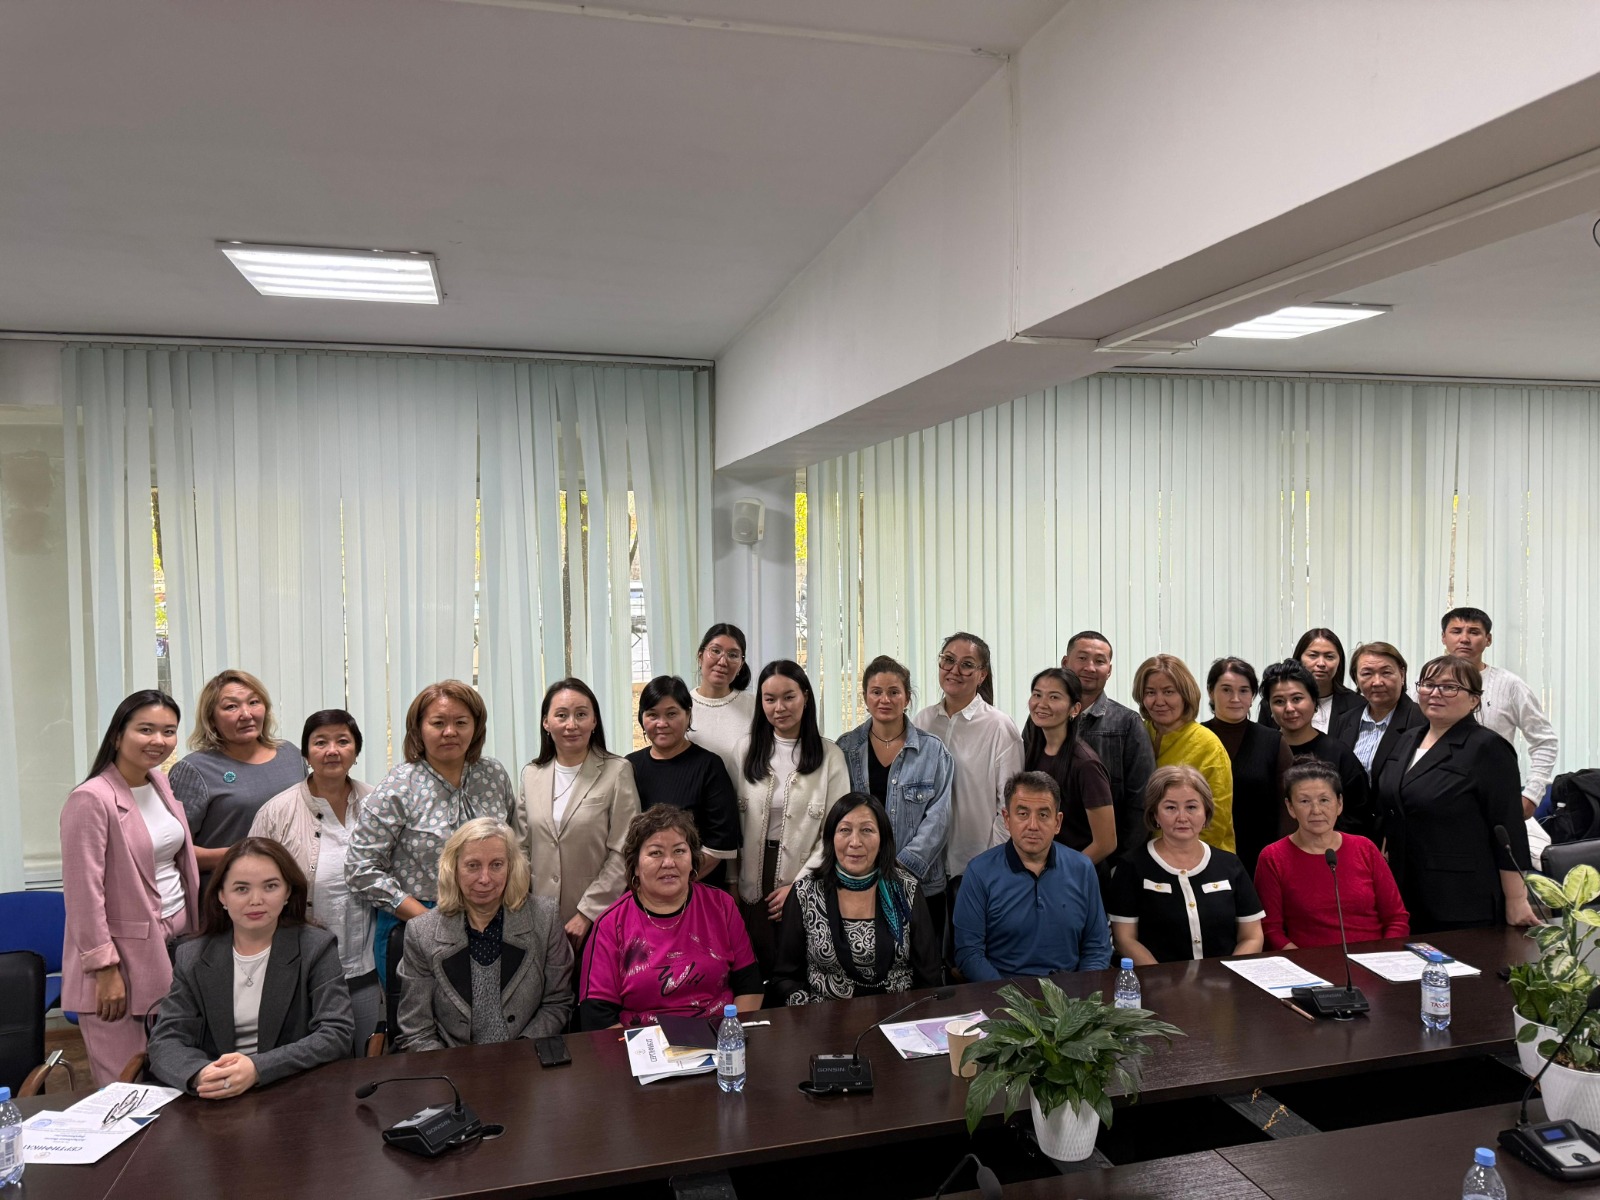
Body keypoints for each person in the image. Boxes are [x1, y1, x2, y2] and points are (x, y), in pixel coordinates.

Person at [61, 690, 199, 1086]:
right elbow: (84, 894)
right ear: (118, 735)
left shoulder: (159, 783)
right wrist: (105, 969)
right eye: (146, 729)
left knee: (172, 1079)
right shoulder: (91, 799)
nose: (159, 740)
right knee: (126, 1086)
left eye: (168, 731)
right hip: (121, 959)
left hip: (173, 944)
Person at [147, 838, 354, 1097]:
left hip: (292, 1091)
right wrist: (202, 1074)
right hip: (217, 1095)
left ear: (288, 892)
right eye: (241, 889)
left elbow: (336, 1033)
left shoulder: (316, 947)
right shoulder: (192, 956)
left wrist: (258, 1068)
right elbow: (166, 1040)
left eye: (270, 886)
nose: (256, 900)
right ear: (222, 895)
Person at [347, 680, 517, 982]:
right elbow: (360, 868)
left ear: (476, 727)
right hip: (418, 922)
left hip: (493, 919)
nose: (450, 732)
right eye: (438, 723)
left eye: (461, 722)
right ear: (418, 730)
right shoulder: (399, 786)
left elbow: (513, 845)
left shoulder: (493, 774)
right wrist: (426, 920)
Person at [250, 710, 380, 1056]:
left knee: (367, 1059)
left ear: (356, 750)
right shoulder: (277, 812)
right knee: (311, 1062)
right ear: (306, 753)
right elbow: (252, 885)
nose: (332, 750)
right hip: (300, 969)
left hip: (366, 966)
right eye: (320, 742)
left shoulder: (378, 804)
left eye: (342, 741)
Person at [1376, 656, 1537, 932]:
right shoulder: (1406, 739)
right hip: (1404, 888)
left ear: (1474, 699)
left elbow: (1507, 828)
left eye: (1450, 687)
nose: (1435, 693)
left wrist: (1517, 899)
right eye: (1428, 684)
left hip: (1460, 897)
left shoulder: (1487, 748)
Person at [395, 817, 573, 1050]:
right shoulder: (421, 933)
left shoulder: (545, 918)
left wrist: (521, 1055)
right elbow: (416, 1031)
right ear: (453, 868)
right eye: (473, 865)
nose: (485, 878)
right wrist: (450, 1068)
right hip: (451, 1063)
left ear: (511, 867)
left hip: (527, 1059)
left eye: (497, 865)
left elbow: (557, 1004)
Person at [579, 806, 763, 1029]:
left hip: (719, 1036)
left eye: (679, 851)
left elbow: (750, 986)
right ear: (635, 865)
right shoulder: (610, 923)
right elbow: (597, 1015)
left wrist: (729, 1035)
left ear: (692, 860)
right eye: (656, 853)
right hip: (641, 1044)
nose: (669, 862)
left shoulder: (721, 906)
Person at [732, 660, 850, 974]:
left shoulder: (830, 756)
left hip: (807, 873)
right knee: (753, 967)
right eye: (769, 699)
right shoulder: (744, 750)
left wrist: (799, 888)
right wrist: (732, 882)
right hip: (751, 877)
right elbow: (731, 824)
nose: (779, 707)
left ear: (806, 697)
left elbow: (835, 833)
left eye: (789, 697)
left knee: (797, 968)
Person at [770, 794, 942, 1004]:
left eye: (867, 830)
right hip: (825, 1017)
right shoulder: (805, 892)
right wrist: (810, 1014)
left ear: (883, 839)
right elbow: (785, 978)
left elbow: (929, 976)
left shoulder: (906, 889)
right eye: (845, 830)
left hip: (898, 1015)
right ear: (831, 838)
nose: (855, 842)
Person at [518, 677, 641, 950]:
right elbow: (521, 847)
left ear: (594, 721)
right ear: (546, 722)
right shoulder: (531, 775)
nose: (571, 724)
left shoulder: (617, 771)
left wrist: (587, 913)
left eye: (581, 715)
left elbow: (624, 850)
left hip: (598, 920)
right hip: (537, 918)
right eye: (561, 715)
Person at [952, 772, 1111, 981]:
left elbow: (1097, 947)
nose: (1033, 825)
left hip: (1070, 993)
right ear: (1007, 819)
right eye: (1023, 814)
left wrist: (1082, 992)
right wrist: (1010, 996)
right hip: (1002, 993)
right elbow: (969, 954)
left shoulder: (1082, 869)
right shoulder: (979, 872)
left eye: (1043, 815)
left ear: (1057, 822)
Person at [834, 656, 954, 930]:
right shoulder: (845, 749)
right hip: (859, 881)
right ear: (865, 698)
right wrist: (865, 869)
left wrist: (900, 870)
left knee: (922, 956)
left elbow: (939, 819)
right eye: (876, 692)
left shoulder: (933, 751)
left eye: (894, 692)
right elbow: (837, 815)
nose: (884, 700)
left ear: (907, 698)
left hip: (921, 885)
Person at [1108, 766, 1264, 964]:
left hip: (1224, 980)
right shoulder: (1131, 866)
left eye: (1191, 807)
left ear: (1206, 812)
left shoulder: (1230, 864)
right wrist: (1162, 977)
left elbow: (1252, 936)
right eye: (1170, 808)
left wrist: (1230, 975)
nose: (1182, 817)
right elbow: (1124, 939)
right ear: (1155, 814)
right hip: (1158, 980)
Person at [168, 669, 306, 883]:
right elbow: (173, 850)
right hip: (227, 891)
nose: (246, 714)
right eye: (231, 706)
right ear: (211, 718)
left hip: (290, 886)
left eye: (254, 702)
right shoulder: (194, 769)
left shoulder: (290, 754)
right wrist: (247, 854)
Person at [1254, 761, 1408, 950]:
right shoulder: (1273, 857)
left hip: (1374, 959)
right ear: (1290, 807)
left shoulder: (1365, 848)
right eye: (1304, 801)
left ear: (1340, 803)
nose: (1316, 811)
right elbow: (1271, 930)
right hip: (1309, 962)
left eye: (1324, 800)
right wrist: (1305, 962)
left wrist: (1383, 956)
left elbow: (1396, 919)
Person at [913, 632, 1022, 900]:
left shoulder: (999, 726)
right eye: (948, 660)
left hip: (977, 865)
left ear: (982, 675)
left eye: (967, 664)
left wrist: (993, 861)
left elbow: (1010, 804)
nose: (955, 670)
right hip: (926, 863)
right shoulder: (922, 721)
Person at [1439, 607, 1559, 817]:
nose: (1464, 639)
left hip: (1494, 798)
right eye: (1456, 631)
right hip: (1435, 796)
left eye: (1474, 632)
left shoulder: (1510, 685)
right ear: (1443, 637)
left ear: (1488, 639)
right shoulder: (1426, 686)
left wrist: (1532, 795)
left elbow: (1545, 741)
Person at [625, 675, 741, 887]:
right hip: (642, 889)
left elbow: (720, 843)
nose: (662, 723)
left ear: (688, 715)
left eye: (671, 714)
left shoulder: (709, 766)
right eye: (652, 715)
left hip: (698, 886)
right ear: (642, 718)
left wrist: (673, 881)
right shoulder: (629, 766)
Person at [1064, 631, 1156, 865]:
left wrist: (1122, 864)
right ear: (1065, 663)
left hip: (1109, 862)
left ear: (1109, 670)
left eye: (1099, 661)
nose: (1090, 667)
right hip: (1049, 854)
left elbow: (1141, 801)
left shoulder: (1128, 723)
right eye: (1082, 658)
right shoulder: (1042, 718)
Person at [1259, 659, 1375, 838]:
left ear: (1314, 702)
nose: (1289, 708)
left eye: (1297, 699)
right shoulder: (1261, 750)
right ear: (1270, 709)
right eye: (1279, 701)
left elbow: (1359, 815)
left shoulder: (1338, 753)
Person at [1133, 654, 1236, 853]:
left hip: (1201, 857)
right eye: (1150, 692)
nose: (1159, 701)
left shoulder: (1208, 745)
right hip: (1147, 855)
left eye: (1168, 692)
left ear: (1185, 695)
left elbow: (1216, 820)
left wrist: (1178, 858)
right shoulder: (1137, 733)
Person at [1202, 658, 1291, 876]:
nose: (1235, 699)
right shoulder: (1196, 739)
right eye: (1226, 690)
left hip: (1261, 858)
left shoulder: (1273, 742)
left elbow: (1288, 806)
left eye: (1243, 690)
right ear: (1211, 692)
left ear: (1252, 696)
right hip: (1204, 854)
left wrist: (1280, 857)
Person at [1021, 668, 1115, 865]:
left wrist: (1064, 872)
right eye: (1037, 695)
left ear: (1075, 709)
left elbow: (1106, 843)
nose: (1042, 704)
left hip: (1074, 874)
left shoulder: (1086, 765)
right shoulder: (1032, 752)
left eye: (1054, 697)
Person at [1329, 641, 1425, 786]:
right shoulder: (1345, 720)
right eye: (1367, 673)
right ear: (1356, 679)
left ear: (1402, 674)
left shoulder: (1421, 720)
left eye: (1386, 672)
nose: (1377, 682)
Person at [1260, 630, 1364, 734]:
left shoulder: (1357, 704)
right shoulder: (1274, 702)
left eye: (1329, 657)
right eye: (1313, 655)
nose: (1321, 663)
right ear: (1299, 658)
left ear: (1339, 662)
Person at [686, 623, 757, 776]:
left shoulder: (755, 706)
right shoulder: (682, 706)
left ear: (741, 665)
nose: (723, 662)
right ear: (700, 656)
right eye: (716, 651)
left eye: (733, 655)